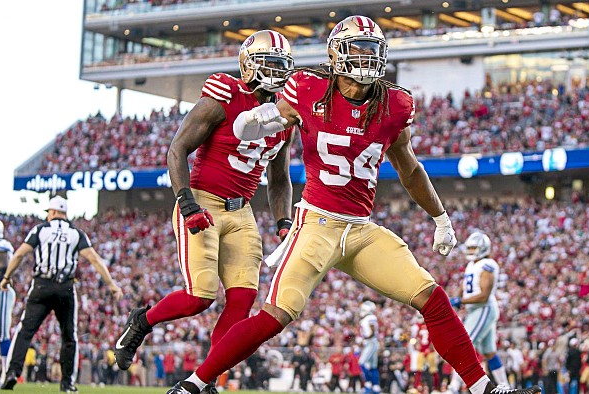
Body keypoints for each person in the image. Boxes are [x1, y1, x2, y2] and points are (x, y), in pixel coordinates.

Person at [168, 15, 541, 394]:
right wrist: (257, 120)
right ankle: (194, 384)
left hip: (360, 229)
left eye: (371, 50)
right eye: (357, 48)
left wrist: (440, 217)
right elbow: (260, 124)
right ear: (336, 53)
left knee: (432, 296)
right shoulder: (306, 87)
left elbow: (410, 169)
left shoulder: (395, 103)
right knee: (275, 316)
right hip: (316, 225)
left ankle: (485, 390)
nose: (365, 57)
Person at [113, 30, 295, 394]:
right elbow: (177, 148)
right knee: (201, 296)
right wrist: (187, 202)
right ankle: (142, 322)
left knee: (243, 300)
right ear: (249, 66)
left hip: (242, 212)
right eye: (269, 63)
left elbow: (280, 179)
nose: (276, 72)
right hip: (203, 201)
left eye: (281, 65)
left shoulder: (284, 118)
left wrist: (283, 221)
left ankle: (205, 379)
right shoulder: (224, 97)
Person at [0, 196, 123, 392]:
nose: (48, 216)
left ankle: (12, 373)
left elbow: (20, 254)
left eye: (49, 212)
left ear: (54, 212)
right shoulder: (76, 233)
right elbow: (95, 259)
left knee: (25, 331)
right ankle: (67, 383)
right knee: (69, 336)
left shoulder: (40, 230)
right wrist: (111, 284)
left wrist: (6, 277)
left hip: (41, 286)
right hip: (65, 288)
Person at [452, 232, 509, 386]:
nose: (471, 251)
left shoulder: (488, 265)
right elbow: (465, 286)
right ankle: (505, 385)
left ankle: (453, 387)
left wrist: (460, 300)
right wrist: (454, 298)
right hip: (475, 310)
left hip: (483, 308)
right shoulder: (472, 265)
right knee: (489, 352)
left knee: (464, 345)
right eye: (469, 248)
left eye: (474, 248)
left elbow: (484, 295)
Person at [0, 219, 15, 382]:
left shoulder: (1, 246)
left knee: (2, 334)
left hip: (1, 291)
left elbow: (2, 273)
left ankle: (5, 375)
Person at [359, 301, 380, 394]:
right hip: (372, 342)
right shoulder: (369, 318)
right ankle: (375, 386)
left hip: (371, 342)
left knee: (361, 362)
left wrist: (366, 338)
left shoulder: (369, 317)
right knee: (372, 366)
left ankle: (368, 384)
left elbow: (372, 329)